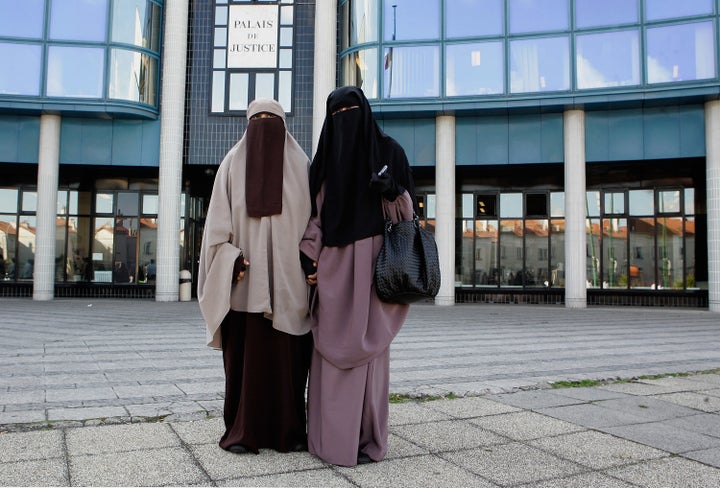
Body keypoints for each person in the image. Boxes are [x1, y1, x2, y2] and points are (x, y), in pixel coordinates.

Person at [300, 86, 417, 466]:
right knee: (329, 355)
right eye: (337, 114)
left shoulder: (390, 153)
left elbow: (408, 217)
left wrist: (392, 190)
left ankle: (368, 442)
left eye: (350, 111)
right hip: (334, 266)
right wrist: (308, 259)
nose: (344, 120)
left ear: (365, 113)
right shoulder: (326, 160)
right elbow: (316, 217)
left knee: (370, 357)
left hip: (375, 266)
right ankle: (329, 440)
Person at [197, 98, 313, 455]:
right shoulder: (232, 165)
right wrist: (231, 260)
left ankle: (289, 432)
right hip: (244, 288)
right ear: (247, 125)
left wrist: (314, 263)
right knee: (245, 364)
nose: (264, 125)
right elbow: (215, 233)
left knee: (288, 364)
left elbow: (315, 227)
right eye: (257, 119)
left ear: (285, 126)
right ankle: (242, 432)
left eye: (272, 119)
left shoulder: (303, 167)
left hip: (290, 288)